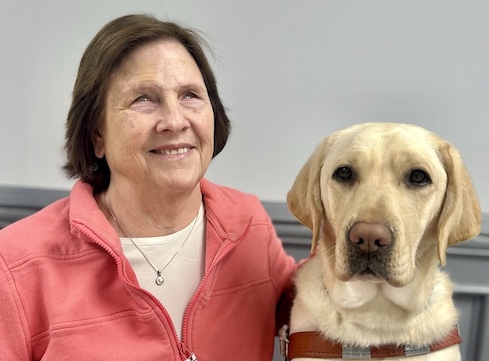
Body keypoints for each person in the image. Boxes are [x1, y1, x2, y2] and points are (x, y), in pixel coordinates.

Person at [0, 14, 296, 360]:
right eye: (143, 99)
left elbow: (319, 307)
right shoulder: (15, 264)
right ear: (97, 135)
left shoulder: (248, 224)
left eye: (189, 95)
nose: (174, 121)